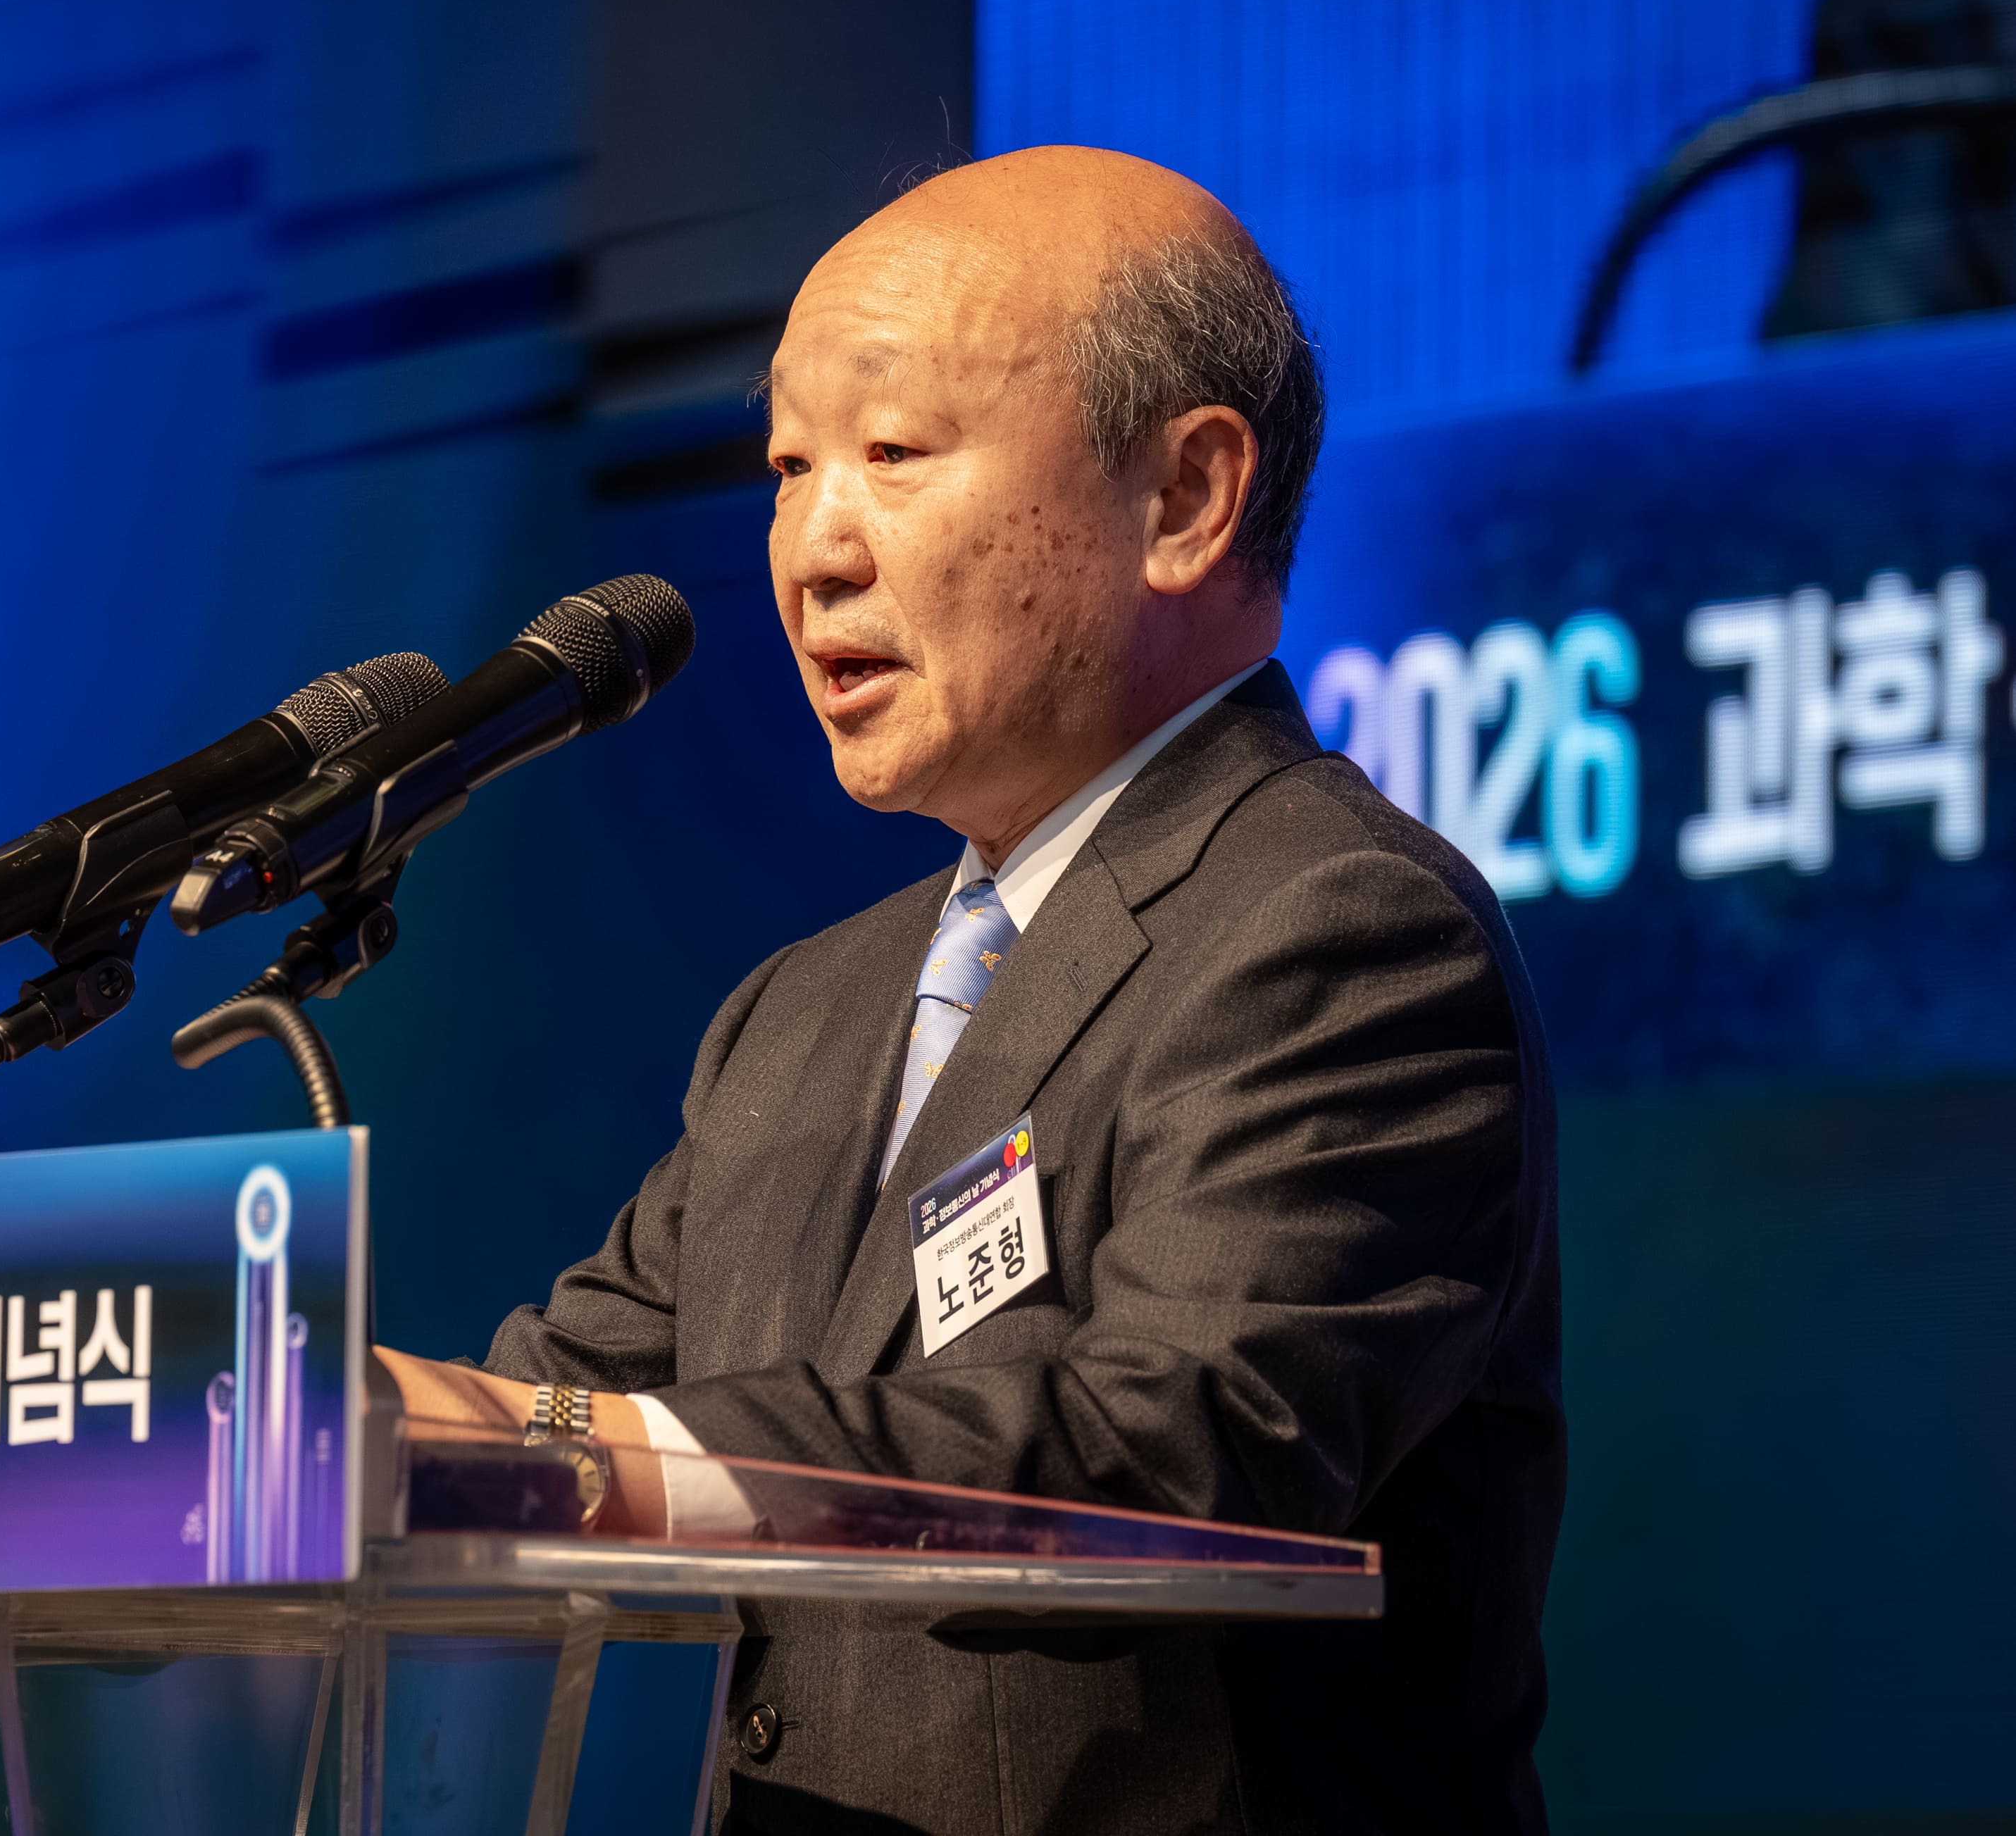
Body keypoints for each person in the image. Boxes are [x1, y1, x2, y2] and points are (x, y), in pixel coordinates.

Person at [377, 147, 1561, 1834]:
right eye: (788, 468)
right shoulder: (803, 1010)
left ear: (1186, 499)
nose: (812, 549)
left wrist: (562, 1444)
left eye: (892, 453)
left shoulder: (1340, 929)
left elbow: (1170, 1451)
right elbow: (566, 1387)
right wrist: (273, 1437)